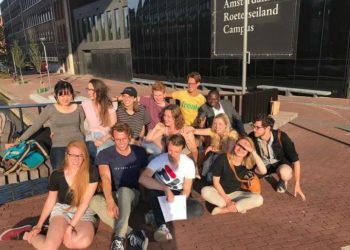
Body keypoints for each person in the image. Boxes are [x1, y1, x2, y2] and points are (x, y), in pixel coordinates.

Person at [23, 140, 98, 249]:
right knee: (50, 247)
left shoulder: (91, 171)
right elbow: (51, 200)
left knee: (79, 242)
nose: (76, 159)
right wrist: (39, 225)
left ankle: (55, 231)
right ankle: (27, 236)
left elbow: (85, 203)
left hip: (84, 212)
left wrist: (70, 228)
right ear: (66, 155)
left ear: (84, 157)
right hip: (63, 211)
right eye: (72, 155)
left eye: (79, 156)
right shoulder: (56, 175)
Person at [89, 122, 149, 250]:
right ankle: (132, 233)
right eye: (117, 139)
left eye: (124, 139)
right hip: (113, 195)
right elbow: (105, 178)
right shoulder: (105, 154)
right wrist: (110, 201)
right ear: (113, 138)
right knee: (93, 201)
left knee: (123, 191)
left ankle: (119, 239)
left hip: (132, 195)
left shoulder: (139, 152)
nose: (121, 142)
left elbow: (144, 175)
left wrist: (145, 197)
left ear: (129, 137)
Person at [139, 134, 204, 242]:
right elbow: (142, 178)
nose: (172, 154)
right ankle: (162, 226)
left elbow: (187, 189)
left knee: (198, 209)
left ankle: (155, 214)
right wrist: (166, 189)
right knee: (153, 192)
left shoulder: (188, 163)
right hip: (160, 191)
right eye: (170, 150)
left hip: (178, 193)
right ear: (167, 147)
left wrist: (179, 203)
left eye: (176, 151)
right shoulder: (159, 159)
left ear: (182, 149)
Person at [6, 80, 85, 169]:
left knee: (83, 171)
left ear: (72, 95)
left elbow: (82, 129)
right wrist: (19, 141)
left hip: (78, 145)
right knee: (59, 173)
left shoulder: (78, 108)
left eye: (68, 95)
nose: (65, 98)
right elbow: (36, 126)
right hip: (59, 146)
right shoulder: (50, 109)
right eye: (62, 95)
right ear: (56, 96)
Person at [201, 136, 266, 215]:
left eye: (245, 148)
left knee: (259, 199)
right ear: (235, 145)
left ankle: (225, 210)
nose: (240, 149)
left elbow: (263, 171)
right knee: (205, 191)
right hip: (219, 192)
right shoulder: (222, 158)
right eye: (239, 145)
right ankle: (238, 206)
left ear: (248, 152)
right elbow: (216, 182)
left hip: (236, 194)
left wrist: (253, 152)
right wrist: (227, 200)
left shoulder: (248, 164)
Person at [248, 114, 306, 201]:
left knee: (285, 173)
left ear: (267, 128)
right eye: (253, 126)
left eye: (257, 127)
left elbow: (296, 160)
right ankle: (265, 174)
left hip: (280, 163)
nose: (253, 129)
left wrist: (297, 184)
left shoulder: (282, 137)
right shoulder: (251, 137)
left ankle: (282, 180)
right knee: (249, 179)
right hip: (262, 164)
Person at [144, 104, 199, 175]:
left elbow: (194, 151)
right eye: (164, 115)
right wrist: (155, 129)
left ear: (176, 118)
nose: (165, 118)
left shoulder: (185, 129)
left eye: (169, 117)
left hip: (183, 159)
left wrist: (195, 167)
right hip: (169, 157)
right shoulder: (165, 129)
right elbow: (147, 141)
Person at [187, 113, 239, 179]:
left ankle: (211, 177)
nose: (217, 126)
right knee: (205, 154)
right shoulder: (213, 131)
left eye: (220, 124)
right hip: (218, 154)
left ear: (226, 125)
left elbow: (229, 152)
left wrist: (213, 149)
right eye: (215, 123)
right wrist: (188, 129)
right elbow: (196, 131)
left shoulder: (232, 135)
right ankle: (200, 173)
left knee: (214, 156)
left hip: (230, 159)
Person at [82, 78, 117, 161]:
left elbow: (114, 127)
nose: (89, 92)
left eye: (91, 90)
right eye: (88, 89)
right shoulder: (85, 105)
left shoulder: (108, 106)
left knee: (103, 150)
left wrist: (103, 139)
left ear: (99, 91)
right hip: (91, 136)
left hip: (107, 136)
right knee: (91, 150)